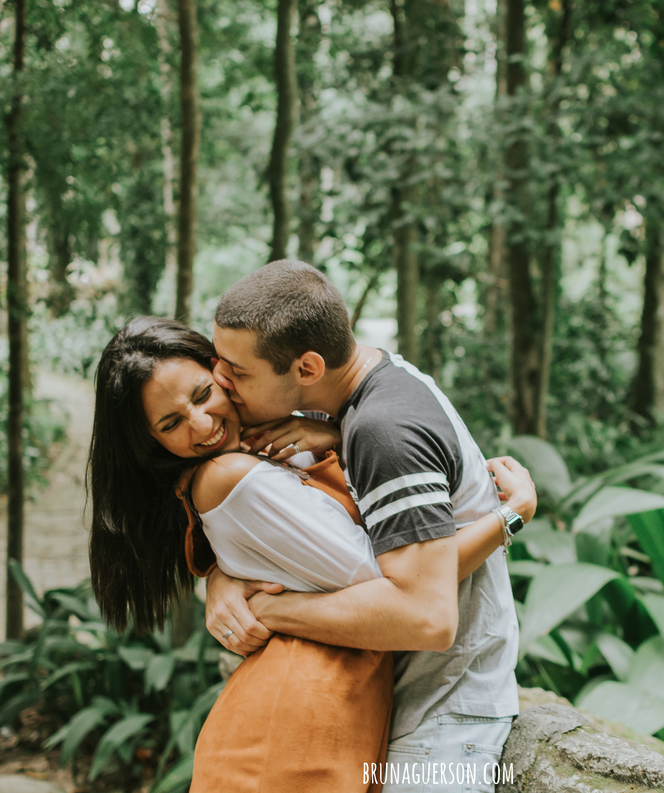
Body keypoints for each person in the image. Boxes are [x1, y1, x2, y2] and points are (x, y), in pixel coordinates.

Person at [86, 316, 536, 793]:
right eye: (171, 423)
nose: (203, 424)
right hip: (289, 739)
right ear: (151, 442)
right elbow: (397, 587)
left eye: (202, 395)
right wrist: (510, 516)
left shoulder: (281, 441)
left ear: (222, 371)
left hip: (317, 728)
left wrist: (337, 435)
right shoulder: (231, 476)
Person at [203, 260, 531, 792]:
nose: (222, 380)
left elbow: (425, 618)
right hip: (417, 707)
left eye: (238, 372)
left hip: (442, 720)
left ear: (307, 369)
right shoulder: (373, 395)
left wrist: (266, 609)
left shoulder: (384, 430)